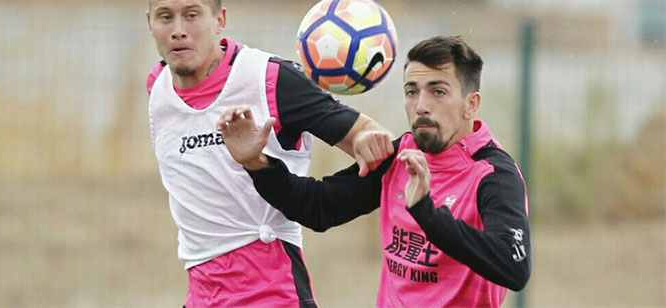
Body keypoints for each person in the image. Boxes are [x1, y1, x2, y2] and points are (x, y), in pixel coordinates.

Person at [145, 0, 394, 308]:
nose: (178, 30)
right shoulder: (158, 88)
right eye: (165, 16)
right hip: (202, 294)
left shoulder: (271, 78)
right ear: (150, 23)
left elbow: (364, 133)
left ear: (220, 20)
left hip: (271, 292)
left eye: (192, 14)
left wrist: (368, 137)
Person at [217, 35, 531, 308]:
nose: (421, 105)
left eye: (438, 91)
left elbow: (513, 267)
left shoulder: (493, 175)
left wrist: (426, 212)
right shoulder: (400, 156)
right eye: (412, 91)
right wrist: (257, 164)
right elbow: (320, 208)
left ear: (471, 104)